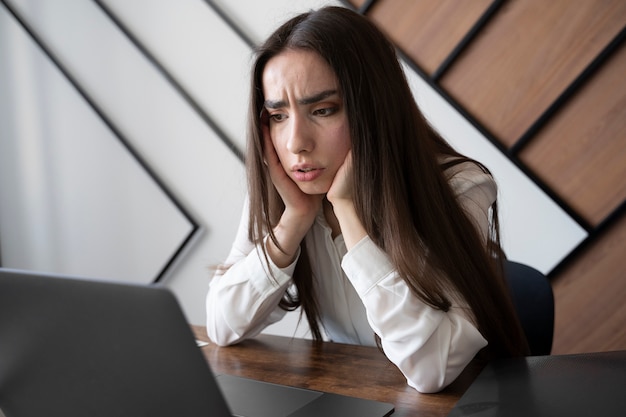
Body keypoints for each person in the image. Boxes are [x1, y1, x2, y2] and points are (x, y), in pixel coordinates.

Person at [206, 6, 528, 393]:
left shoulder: (460, 187)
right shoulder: (290, 191)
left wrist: (348, 211)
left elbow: (430, 371)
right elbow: (222, 325)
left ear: (374, 110)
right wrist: (294, 220)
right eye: (278, 116)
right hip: (357, 397)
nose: (295, 144)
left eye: (323, 110)